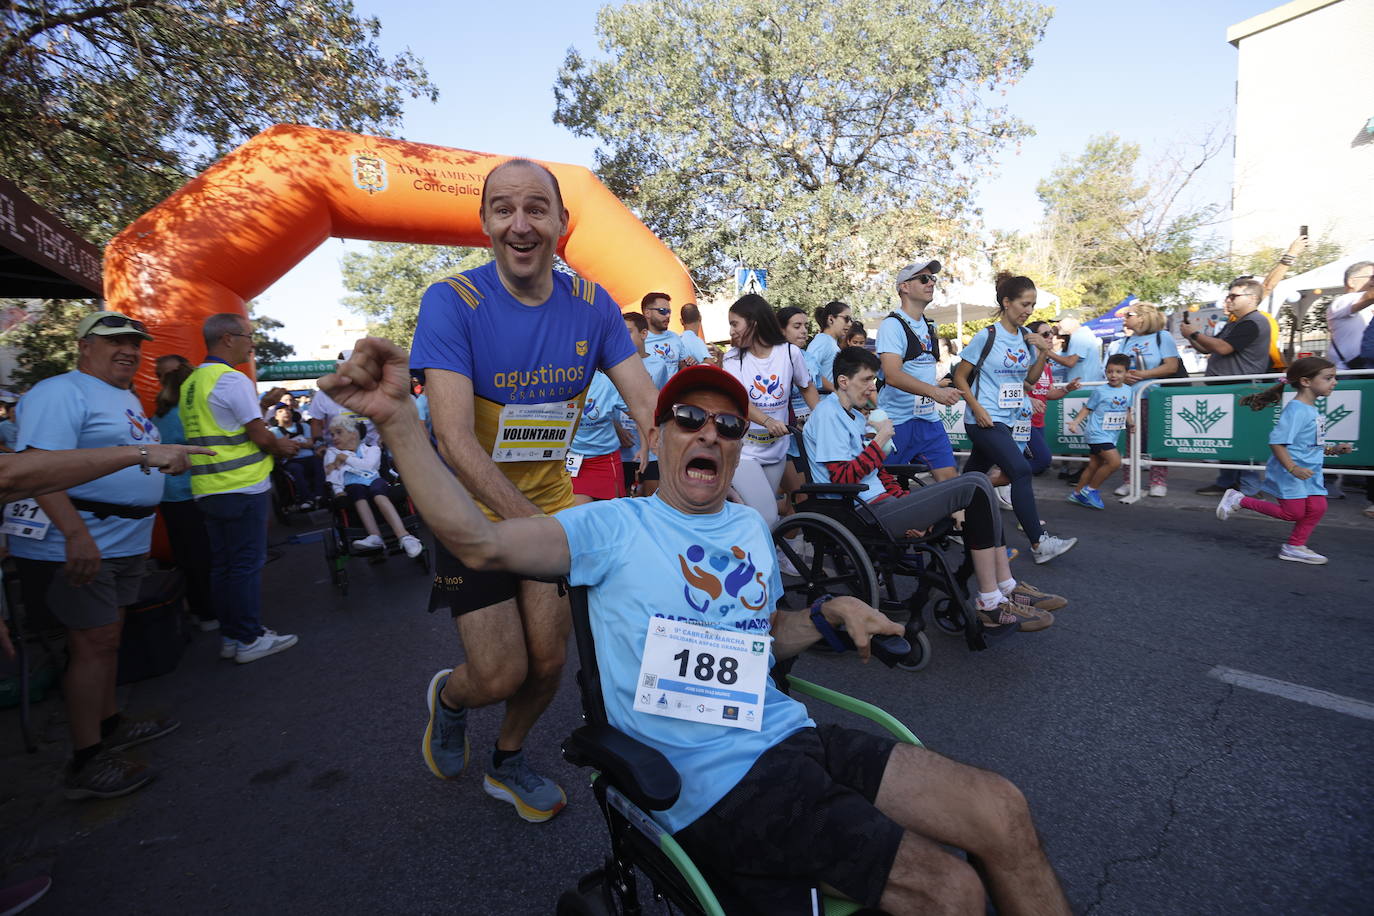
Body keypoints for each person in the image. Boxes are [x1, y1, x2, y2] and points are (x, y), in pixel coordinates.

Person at [320, 340, 1072, 915]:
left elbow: (760, 640)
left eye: (726, 423)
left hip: (787, 734)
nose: (706, 431)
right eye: (687, 417)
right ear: (658, 438)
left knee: (1002, 809)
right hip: (710, 784)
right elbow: (480, 541)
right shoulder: (610, 527)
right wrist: (397, 423)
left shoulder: (748, 527)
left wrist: (826, 615)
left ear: (739, 446)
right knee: (951, 892)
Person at [408, 158, 657, 823]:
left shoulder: (593, 304)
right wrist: (540, 534)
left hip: (548, 504)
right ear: (485, 223)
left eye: (536, 208)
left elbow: (646, 403)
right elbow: (456, 443)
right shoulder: (451, 302)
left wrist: (687, 469)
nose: (520, 224)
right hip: (469, 517)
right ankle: (454, 702)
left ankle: (508, 757)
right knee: (498, 674)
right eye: (503, 209)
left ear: (562, 224)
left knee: (547, 666)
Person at [10, 312, 183, 800]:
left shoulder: (124, 395)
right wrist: (74, 533)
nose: (129, 349)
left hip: (123, 539)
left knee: (108, 639)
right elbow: (34, 470)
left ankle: (110, 725)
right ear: (84, 345)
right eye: (114, 341)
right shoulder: (60, 392)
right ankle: (86, 759)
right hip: (82, 540)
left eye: (134, 342)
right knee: (92, 644)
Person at [805, 347, 1062, 630]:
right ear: (843, 381)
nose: (871, 387)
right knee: (976, 483)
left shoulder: (853, 415)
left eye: (872, 380)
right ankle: (990, 601)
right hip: (862, 513)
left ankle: (1005, 587)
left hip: (881, 505)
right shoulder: (829, 414)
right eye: (866, 380)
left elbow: (879, 474)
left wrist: (908, 506)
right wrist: (879, 442)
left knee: (980, 488)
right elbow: (842, 478)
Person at [182, 313, 300, 664]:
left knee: (223, 567)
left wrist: (263, 412)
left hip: (207, 488)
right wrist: (285, 447)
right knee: (246, 565)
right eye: (249, 336)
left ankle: (232, 636)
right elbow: (260, 436)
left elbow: (226, 427)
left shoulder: (192, 382)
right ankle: (249, 639)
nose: (252, 343)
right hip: (241, 487)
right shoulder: (231, 380)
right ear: (228, 338)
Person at [952, 274, 1077, 565]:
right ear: (1006, 302)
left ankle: (951, 519)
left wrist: (1043, 353)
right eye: (1024, 303)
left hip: (1006, 419)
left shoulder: (1026, 338)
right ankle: (1039, 542)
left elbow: (1029, 382)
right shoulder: (987, 335)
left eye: (1033, 305)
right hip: (983, 419)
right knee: (1020, 470)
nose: (1029, 310)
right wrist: (977, 408)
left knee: (972, 479)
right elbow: (960, 376)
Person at [1216, 358, 1352, 564]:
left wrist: (1334, 449)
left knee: (1318, 508)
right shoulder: (1296, 410)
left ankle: (1294, 546)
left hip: (1310, 471)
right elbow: (1276, 442)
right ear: (1306, 381)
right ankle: (1238, 499)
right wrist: (1293, 468)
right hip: (1290, 470)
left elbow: (1312, 444)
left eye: (1334, 377)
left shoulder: (1313, 410)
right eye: (1328, 378)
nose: (1335, 382)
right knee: (1293, 513)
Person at [720, 293, 817, 528]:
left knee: (757, 515)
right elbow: (738, 400)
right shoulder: (732, 358)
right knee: (768, 516)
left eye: (735, 324)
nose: (731, 331)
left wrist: (822, 419)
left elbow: (806, 386)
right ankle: (768, 560)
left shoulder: (790, 353)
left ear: (753, 323)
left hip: (776, 450)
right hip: (743, 452)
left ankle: (751, 556)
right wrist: (766, 421)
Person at [876, 260, 964, 482]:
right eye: (924, 279)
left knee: (950, 482)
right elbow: (892, 375)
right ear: (904, 287)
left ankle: (959, 518)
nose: (931, 283)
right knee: (884, 489)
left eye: (933, 279)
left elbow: (920, 370)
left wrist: (941, 387)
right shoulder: (892, 325)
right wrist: (934, 392)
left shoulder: (928, 325)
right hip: (896, 423)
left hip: (928, 420)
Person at [1183, 278, 1272, 496]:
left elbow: (1222, 348)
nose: (1228, 299)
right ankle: (1226, 482)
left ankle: (1250, 488)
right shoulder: (1236, 322)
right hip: (1228, 386)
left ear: (1252, 298)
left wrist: (1194, 334)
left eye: (1234, 296)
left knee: (1244, 439)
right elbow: (1210, 348)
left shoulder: (1253, 322)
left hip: (1241, 387)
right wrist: (1193, 337)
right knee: (1228, 439)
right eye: (1228, 295)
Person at [152, 355, 217, 632]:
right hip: (192, 492)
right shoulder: (188, 411)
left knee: (188, 555)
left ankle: (202, 611)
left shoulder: (159, 415)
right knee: (205, 554)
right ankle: (212, 610)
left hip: (171, 496)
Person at [1108, 302, 1181, 497]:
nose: (1124, 319)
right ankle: (1129, 480)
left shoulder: (1162, 337)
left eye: (1128, 314)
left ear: (1142, 317)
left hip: (1153, 396)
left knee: (1154, 438)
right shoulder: (1123, 342)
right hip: (1127, 399)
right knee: (1129, 441)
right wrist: (1124, 377)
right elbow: (1116, 369)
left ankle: (1158, 481)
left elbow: (1171, 366)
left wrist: (1143, 374)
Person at [323, 416, 423, 556]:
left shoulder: (372, 449)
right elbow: (332, 475)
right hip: (352, 485)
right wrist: (338, 490)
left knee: (377, 491)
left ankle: (404, 536)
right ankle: (374, 536)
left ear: (353, 434)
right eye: (332, 434)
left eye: (339, 432)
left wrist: (345, 458)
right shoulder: (332, 453)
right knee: (357, 491)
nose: (334, 437)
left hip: (374, 480)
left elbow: (369, 466)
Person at [1065, 355, 1134, 510]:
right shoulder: (1100, 391)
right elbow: (1087, 408)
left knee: (1094, 465)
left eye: (1118, 372)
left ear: (1126, 373)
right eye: (1110, 372)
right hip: (1097, 433)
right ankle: (1090, 490)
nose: (1113, 375)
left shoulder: (1129, 391)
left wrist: (1131, 423)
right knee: (1115, 462)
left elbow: (1127, 410)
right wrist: (1076, 422)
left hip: (1112, 435)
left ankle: (1076, 494)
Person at [1024, 321, 1079, 477]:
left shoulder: (1045, 366)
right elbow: (1012, 384)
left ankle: (1007, 487)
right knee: (1042, 460)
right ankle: (1002, 476)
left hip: (1039, 422)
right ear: (1033, 338)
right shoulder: (1025, 360)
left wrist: (1067, 388)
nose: (1050, 337)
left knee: (1030, 462)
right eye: (1045, 334)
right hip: (1023, 420)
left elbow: (1048, 393)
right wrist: (1029, 400)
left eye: (1051, 334)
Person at [624, 311, 669, 497]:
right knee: (626, 502)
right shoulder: (609, 366)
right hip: (623, 450)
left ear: (643, 334)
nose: (621, 338)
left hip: (651, 449)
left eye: (627, 332)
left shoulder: (658, 365)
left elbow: (661, 405)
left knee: (652, 499)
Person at [567, 371, 628, 503]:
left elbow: (639, 412)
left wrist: (646, 447)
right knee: (580, 515)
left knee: (609, 515)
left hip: (605, 459)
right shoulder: (560, 380)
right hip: (575, 462)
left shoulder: (607, 383)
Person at [270, 403, 325, 509]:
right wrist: (300, 442)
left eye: (287, 410)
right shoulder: (273, 432)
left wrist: (290, 444)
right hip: (291, 460)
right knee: (296, 469)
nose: (285, 412)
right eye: (280, 411)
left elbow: (310, 443)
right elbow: (277, 450)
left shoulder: (304, 426)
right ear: (276, 416)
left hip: (309, 457)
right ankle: (306, 499)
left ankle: (320, 495)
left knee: (318, 463)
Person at [1327, 262, 1373, 370]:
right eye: (1372, 277)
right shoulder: (1343, 301)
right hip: (1349, 371)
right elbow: (1370, 296)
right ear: (1351, 281)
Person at [1046, 314, 1104, 385]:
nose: (1057, 325)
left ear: (1072, 319)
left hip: (1084, 388)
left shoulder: (1079, 336)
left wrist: (1046, 352)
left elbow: (1070, 362)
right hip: (1086, 386)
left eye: (1060, 321)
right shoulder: (1082, 334)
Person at [643, 291, 689, 372]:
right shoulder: (638, 340)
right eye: (662, 311)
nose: (668, 315)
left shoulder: (675, 337)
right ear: (647, 313)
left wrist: (688, 363)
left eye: (669, 312)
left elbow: (683, 365)